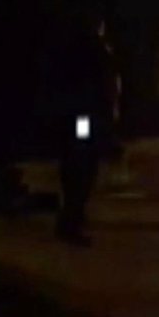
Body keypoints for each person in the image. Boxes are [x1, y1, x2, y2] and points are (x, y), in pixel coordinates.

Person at [54, 19, 120, 247]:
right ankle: (71, 219)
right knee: (81, 163)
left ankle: (72, 217)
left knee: (80, 162)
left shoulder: (81, 50)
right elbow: (100, 86)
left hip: (84, 114)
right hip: (85, 115)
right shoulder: (92, 51)